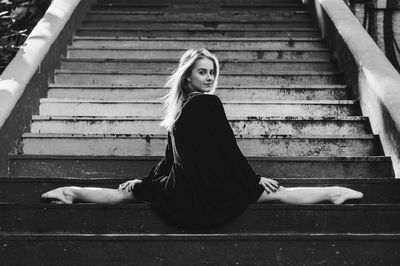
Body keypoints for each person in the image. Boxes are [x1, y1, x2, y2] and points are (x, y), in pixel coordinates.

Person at [42, 48, 363, 229]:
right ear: (188, 75)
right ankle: (333, 192)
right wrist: (252, 178)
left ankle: (69, 191)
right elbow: (225, 146)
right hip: (206, 185)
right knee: (276, 193)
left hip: (181, 187)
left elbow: (171, 159)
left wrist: (145, 181)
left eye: (212, 72)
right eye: (202, 72)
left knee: (126, 195)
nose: (209, 78)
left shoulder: (180, 108)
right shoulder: (208, 102)